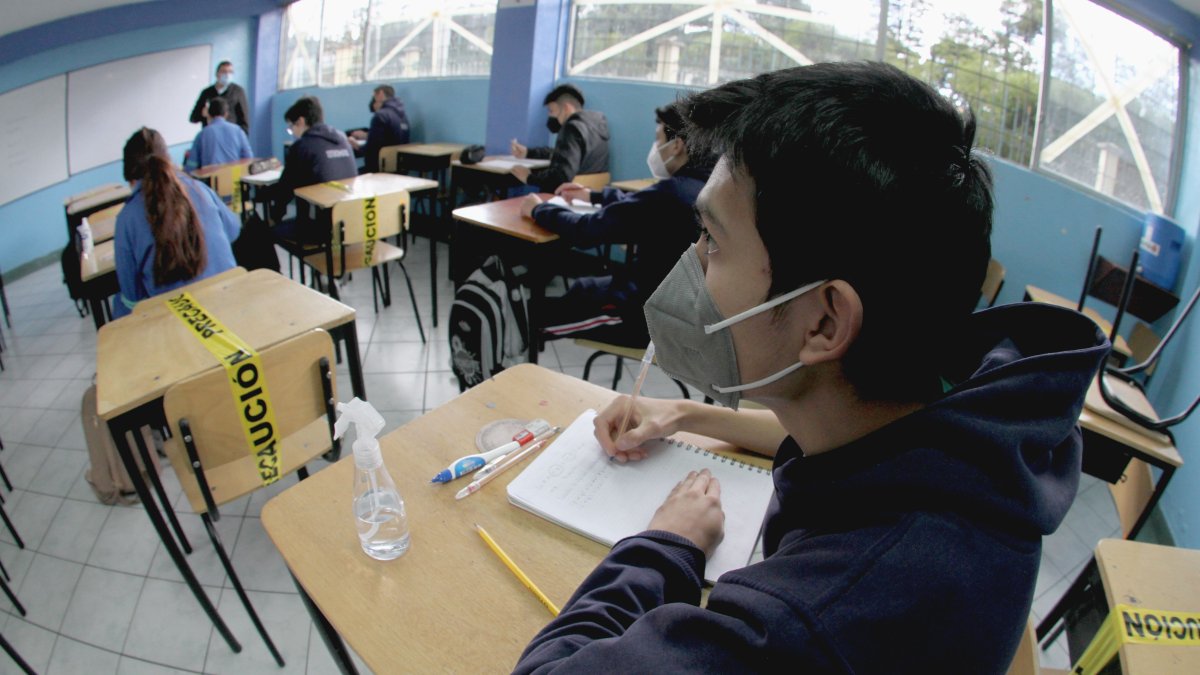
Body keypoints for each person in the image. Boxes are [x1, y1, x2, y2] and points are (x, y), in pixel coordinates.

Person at [512, 62, 1110, 673]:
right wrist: (683, 411)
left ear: (825, 322)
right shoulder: (958, 424)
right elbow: (852, 439)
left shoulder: (810, 624)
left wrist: (669, 545)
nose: (690, 264)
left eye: (713, 242)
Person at [517, 103, 712, 347]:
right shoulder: (706, 186)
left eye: (657, 139)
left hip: (645, 318)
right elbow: (640, 206)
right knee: (583, 288)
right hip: (680, 308)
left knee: (532, 319)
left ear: (677, 145)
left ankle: (515, 357)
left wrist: (538, 208)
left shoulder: (670, 193)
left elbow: (585, 230)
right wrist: (593, 196)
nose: (655, 148)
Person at [113, 127, 240, 318]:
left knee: (121, 305)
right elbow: (234, 230)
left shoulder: (127, 218)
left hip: (182, 324)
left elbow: (132, 296)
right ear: (168, 159)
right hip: (230, 303)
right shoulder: (199, 189)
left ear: (131, 178)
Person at [267, 96, 357, 243]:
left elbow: (286, 189)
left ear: (301, 121)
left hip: (321, 228)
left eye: (291, 127)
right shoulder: (342, 139)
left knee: (266, 234)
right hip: (350, 222)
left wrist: (274, 217)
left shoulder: (301, 146)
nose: (292, 132)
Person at [510, 84, 608, 193]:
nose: (550, 116)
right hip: (589, 196)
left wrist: (529, 177)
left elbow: (561, 177)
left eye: (551, 111)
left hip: (564, 198)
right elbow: (565, 154)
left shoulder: (571, 128)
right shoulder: (595, 125)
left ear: (566, 108)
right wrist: (528, 152)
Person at [349, 84, 411, 173]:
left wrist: (356, 145)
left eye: (373, 97)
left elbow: (371, 149)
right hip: (399, 169)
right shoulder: (403, 116)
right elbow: (391, 137)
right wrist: (367, 135)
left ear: (380, 94)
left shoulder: (380, 116)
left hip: (379, 170)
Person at [184, 97, 252, 170]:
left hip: (210, 179)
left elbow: (191, 166)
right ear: (226, 114)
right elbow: (248, 158)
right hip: (234, 178)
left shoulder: (202, 134)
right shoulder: (238, 131)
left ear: (209, 113)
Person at [189, 60, 249, 135]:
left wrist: (241, 139)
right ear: (217, 74)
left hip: (230, 136)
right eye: (224, 72)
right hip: (211, 135)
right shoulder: (206, 93)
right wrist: (202, 114)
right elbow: (193, 118)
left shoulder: (238, 91)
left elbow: (244, 120)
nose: (227, 75)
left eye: (230, 72)